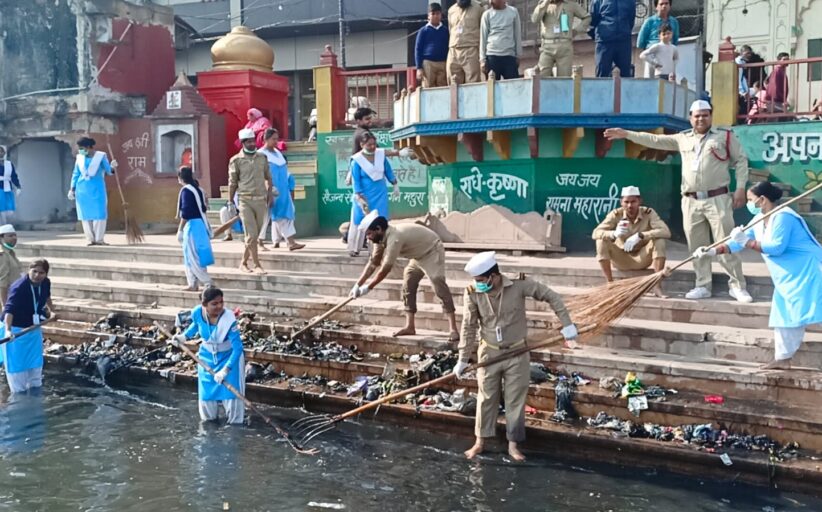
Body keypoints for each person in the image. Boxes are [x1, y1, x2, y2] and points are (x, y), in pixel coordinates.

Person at [604, 100, 753, 303]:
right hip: (690, 200)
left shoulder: (724, 136)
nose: (701, 118)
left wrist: (741, 188)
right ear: (690, 118)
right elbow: (655, 140)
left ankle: (737, 285)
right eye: (696, 115)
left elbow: (741, 160)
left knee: (726, 241)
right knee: (696, 245)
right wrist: (627, 134)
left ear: (711, 115)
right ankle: (702, 285)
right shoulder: (682, 138)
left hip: (718, 197)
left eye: (705, 114)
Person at [453, 251, 578, 461]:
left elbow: (550, 295)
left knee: (515, 400)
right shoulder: (472, 292)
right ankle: (480, 441)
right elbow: (468, 326)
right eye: (476, 281)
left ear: (493, 276)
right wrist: (463, 359)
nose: (478, 284)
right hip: (489, 352)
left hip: (517, 352)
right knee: (486, 398)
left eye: (481, 280)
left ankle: (513, 445)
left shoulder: (518, 285)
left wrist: (567, 324)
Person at [694, 181, 822, 369]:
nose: (748, 204)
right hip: (788, 277)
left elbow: (777, 248)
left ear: (762, 200)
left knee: (815, 311)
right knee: (784, 317)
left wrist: (748, 242)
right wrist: (712, 251)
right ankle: (783, 359)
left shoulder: (784, 216)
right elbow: (736, 243)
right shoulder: (759, 219)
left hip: (808, 271)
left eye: (750, 200)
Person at [351, 213, 460, 340]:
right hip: (417, 257)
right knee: (408, 284)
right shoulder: (378, 239)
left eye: (369, 234)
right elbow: (373, 263)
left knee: (437, 283)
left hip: (432, 251)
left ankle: (453, 329)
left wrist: (368, 287)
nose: (368, 238)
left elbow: (385, 268)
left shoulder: (395, 238)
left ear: (378, 229)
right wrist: (357, 285)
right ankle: (410, 326)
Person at [170, 287, 245, 424]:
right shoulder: (197, 313)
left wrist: (225, 370)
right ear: (204, 305)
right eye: (214, 304)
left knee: (232, 397)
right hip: (207, 359)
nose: (220, 306)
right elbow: (196, 326)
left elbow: (238, 349)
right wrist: (183, 337)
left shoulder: (229, 318)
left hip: (228, 359)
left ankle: (234, 430)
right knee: (207, 398)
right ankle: (209, 430)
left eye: (221, 302)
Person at [592, 186, 671, 297]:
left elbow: (666, 232)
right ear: (621, 202)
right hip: (621, 258)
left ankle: (657, 286)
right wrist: (613, 234)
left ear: (639, 201)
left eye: (633, 201)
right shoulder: (616, 214)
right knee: (601, 241)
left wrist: (641, 235)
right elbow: (595, 233)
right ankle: (610, 283)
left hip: (642, 258)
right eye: (626, 202)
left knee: (659, 241)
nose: (630, 205)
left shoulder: (648, 213)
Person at [2, 259, 54, 394]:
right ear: (28, 270)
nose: (37, 275)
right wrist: (8, 331)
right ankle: (18, 400)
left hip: (33, 328)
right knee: (17, 369)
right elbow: (9, 311)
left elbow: (47, 296)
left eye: (41, 272)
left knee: (35, 365)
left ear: (46, 274)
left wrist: (52, 311)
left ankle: (35, 393)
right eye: (34, 271)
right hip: (15, 330)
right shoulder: (19, 287)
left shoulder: (45, 283)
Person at [229, 128, 275, 274]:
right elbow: (232, 183)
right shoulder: (236, 160)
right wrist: (230, 201)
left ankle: (243, 262)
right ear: (243, 143)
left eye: (253, 141)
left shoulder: (262, 158)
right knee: (252, 235)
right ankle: (256, 264)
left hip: (260, 200)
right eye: (248, 141)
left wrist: (270, 194)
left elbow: (268, 177)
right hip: (245, 200)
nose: (252, 143)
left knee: (253, 235)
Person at [347, 132, 399, 257]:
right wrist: (359, 196)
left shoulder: (381, 156)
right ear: (362, 144)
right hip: (363, 194)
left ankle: (377, 250)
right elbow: (356, 180)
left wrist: (395, 184)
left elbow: (388, 171)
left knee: (379, 221)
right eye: (369, 144)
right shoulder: (356, 160)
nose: (372, 147)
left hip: (380, 192)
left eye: (374, 144)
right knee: (359, 220)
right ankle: (354, 248)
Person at [260, 128, 305, 251]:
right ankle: (288, 242)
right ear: (266, 139)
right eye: (273, 139)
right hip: (270, 190)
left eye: (277, 139)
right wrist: (268, 190)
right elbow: (261, 175)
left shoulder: (278, 153)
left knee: (284, 216)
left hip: (283, 191)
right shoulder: (261, 155)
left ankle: (286, 242)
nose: (276, 141)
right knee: (269, 217)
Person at [68, 137, 115, 246]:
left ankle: (99, 239)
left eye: (82, 148)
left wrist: (112, 167)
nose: (80, 150)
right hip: (82, 190)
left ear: (89, 147)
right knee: (85, 216)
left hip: (97, 189)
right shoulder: (79, 158)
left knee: (99, 214)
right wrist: (72, 188)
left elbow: (109, 171)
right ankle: (90, 239)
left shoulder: (101, 156)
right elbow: (76, 174)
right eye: (79, 148)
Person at [176, 166, 214, 292]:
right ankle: (192, 283)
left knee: (193, 257)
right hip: (201, 225)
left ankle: (207, 282)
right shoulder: (199, 190)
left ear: (180, 178)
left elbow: (185, 213)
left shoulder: (186, 191)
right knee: (194, 255)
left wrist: (180, 230)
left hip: (192, 227)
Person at [531, 0, 590, 78]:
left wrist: (577, 30)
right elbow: (535, 19)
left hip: (564, 46)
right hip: (547, 46)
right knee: (542, 76)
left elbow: (587, 17)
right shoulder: (543, 4)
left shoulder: (571, 4)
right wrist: (545, 3)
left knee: (564, 78)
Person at [588, 0, 636, 78]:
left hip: (623, 42)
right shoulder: (598, 1)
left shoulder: (629, 1)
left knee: (626, 75)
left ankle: (624, 90)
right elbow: (593, 20)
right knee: (602, 74)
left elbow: (631, 20)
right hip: (604, 42)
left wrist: (624, 31)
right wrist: (600, 36)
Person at [480, 0, 522, 80]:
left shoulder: (513, 12)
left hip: (509, 56)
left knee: (513, 86)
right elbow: (483, 37)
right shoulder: (487, 15)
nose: (491, 2)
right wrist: (482, 60)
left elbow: (517, 34)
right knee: (492, 89)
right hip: (492, 56)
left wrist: (518, 55)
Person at [447, 0, 485, 85]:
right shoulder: (451, 10)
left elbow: (483, 31)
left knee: (473, 83)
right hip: (453, 50)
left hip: (471, 49)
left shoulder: (478, 8)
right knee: (452, 82)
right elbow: (450, 30)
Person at [415, 3, 449, 88]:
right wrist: (419, 68)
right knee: (428, 88)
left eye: (437, 13)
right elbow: (418, 49)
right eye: (433, 14)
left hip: (443, 63)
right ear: (428, 16)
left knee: (443, 88)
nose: (435, 16)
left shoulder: (445, 30)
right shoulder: (423, 31)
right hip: (428, 63)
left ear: (441, 15)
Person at [0, 225, 23, 306]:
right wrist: (5, 305)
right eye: (10, 236)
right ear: (1, 238)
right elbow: (2, 282)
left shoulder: (11, 253)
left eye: (15, 235)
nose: (14, 238)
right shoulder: (2, 255)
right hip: (8, 298)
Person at [0, 146, 21, 225]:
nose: (0, 153)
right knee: (1, 209)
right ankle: (3, 226)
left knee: (10, 211)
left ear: (4, 153)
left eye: (2, 151)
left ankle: (7, 224)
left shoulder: (9, 164)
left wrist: (18, 186)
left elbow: (13, 176)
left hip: (8, 188)